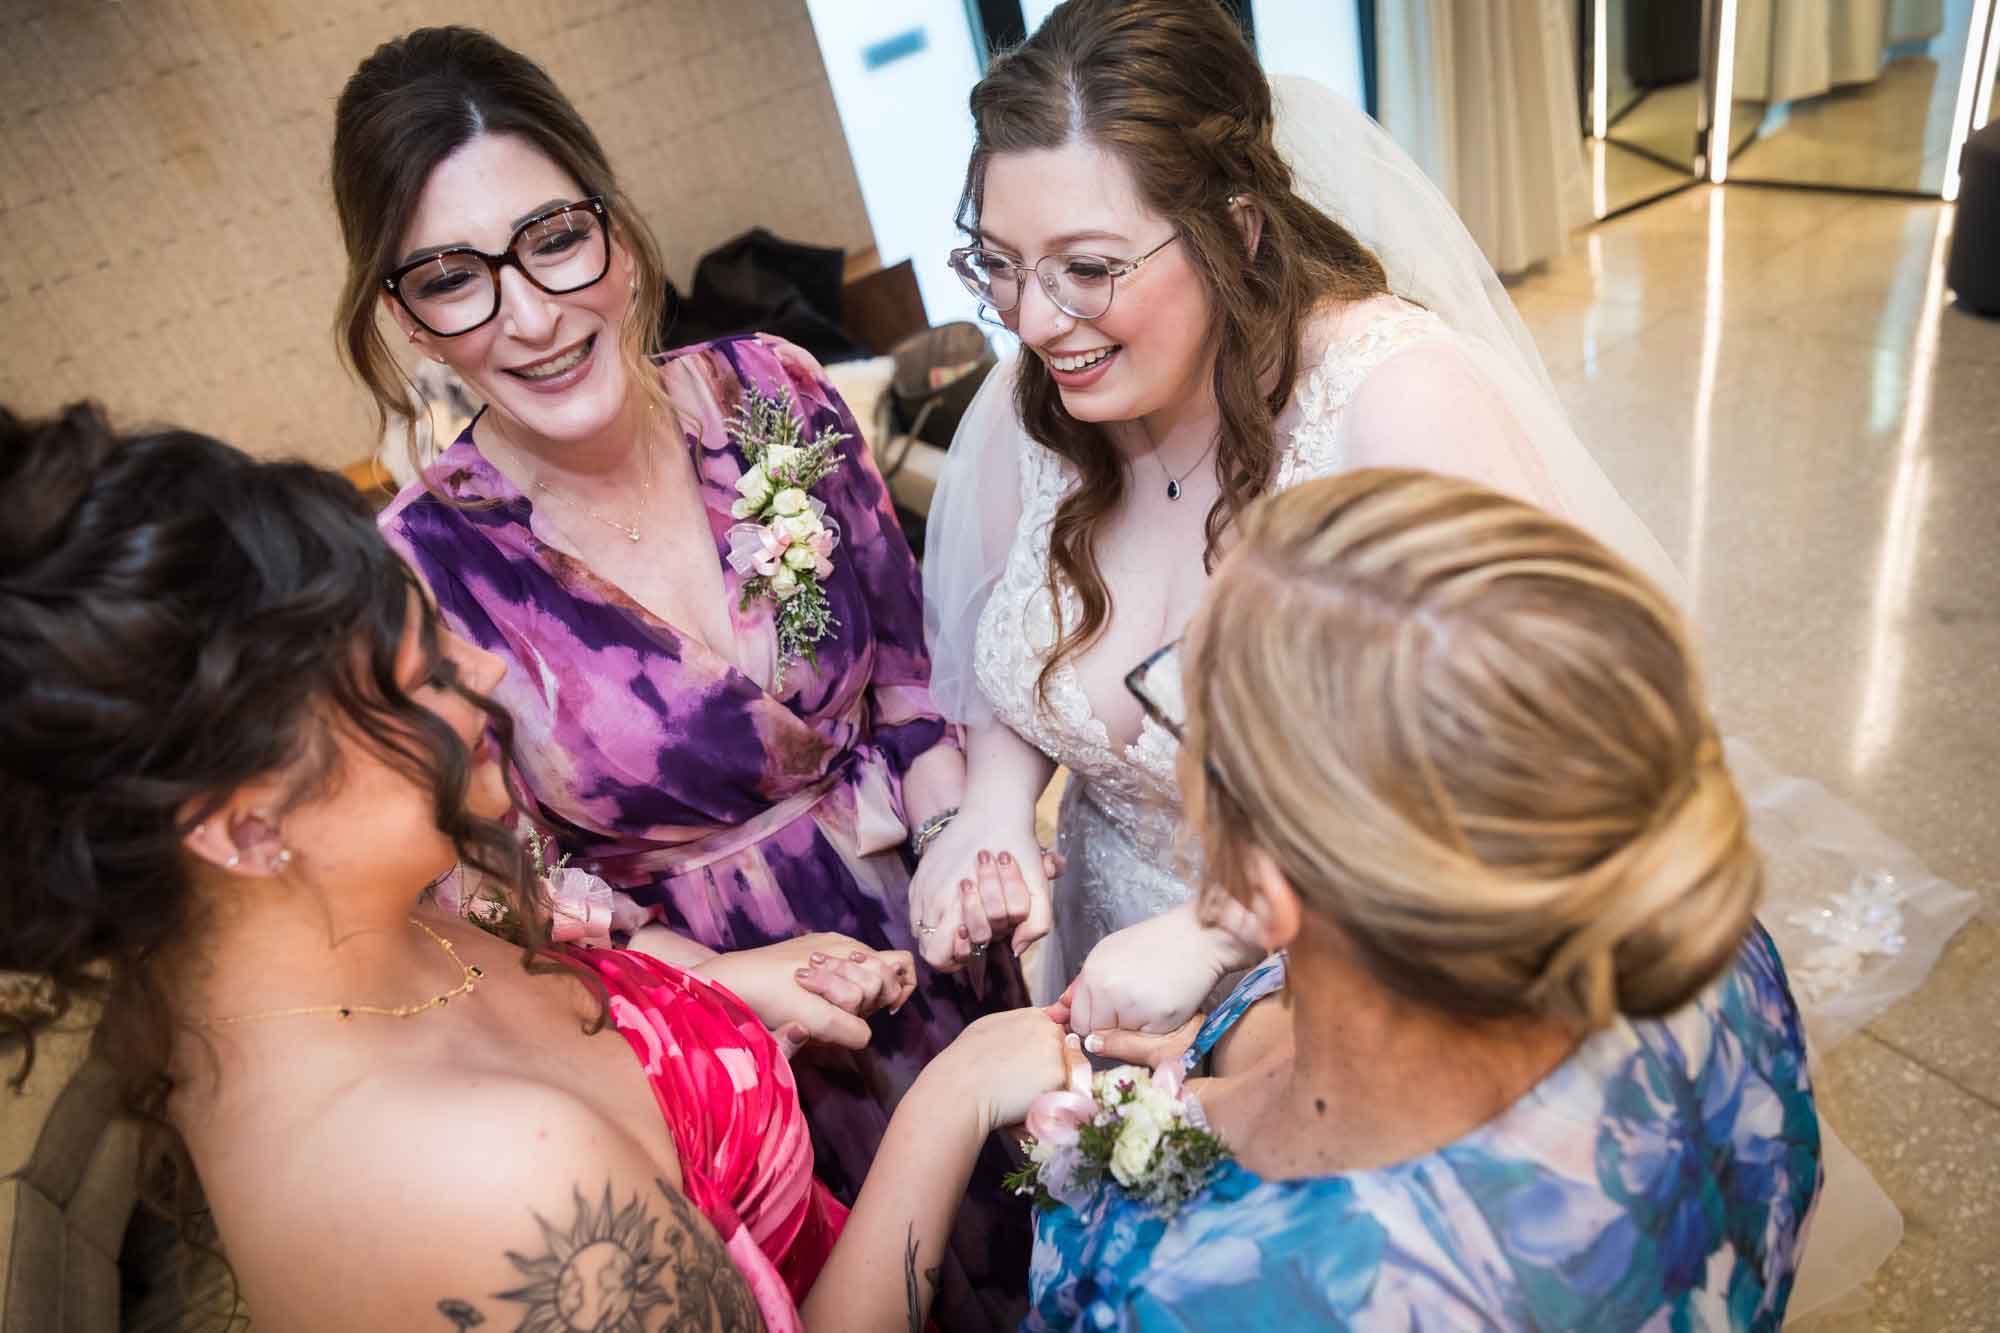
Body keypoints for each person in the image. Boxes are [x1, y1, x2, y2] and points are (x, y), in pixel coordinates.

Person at [920, 0, 1972, 1072]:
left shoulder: (1392, 403)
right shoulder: (1039, 402)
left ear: (1233, 227)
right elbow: (1011, 648)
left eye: (1086, 268)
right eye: (998, 263)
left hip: (1371, 989)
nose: (1035, 319)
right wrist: (992, 811)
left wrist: (1222, 928)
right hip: (1109, 959)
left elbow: (1541, 772)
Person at [0, 402, 1078, 1332]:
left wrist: (723, 995)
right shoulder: (495, 1182)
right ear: (240, 827)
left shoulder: (308, 934)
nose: (478, 668)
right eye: (416, 673)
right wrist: (958, 1093)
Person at [334, 28, 1032, 1323]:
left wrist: (955, 844)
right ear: (399, 313)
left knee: (1043, 1243)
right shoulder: (418, 575)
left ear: (615, 224)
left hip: (940, 941)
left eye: (553, 238)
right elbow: (490, 898)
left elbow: (905, 677)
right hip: (730, 1049)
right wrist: (730, 986)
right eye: (453, 277)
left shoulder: (774, 397)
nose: (532, 314)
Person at [1025, 468, 1823, 1329]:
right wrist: (1225, 1057)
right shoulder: (1704, 946)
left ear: (1265, 880)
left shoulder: (1213, 1294)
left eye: (1192, 707)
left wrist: (943, 1106)